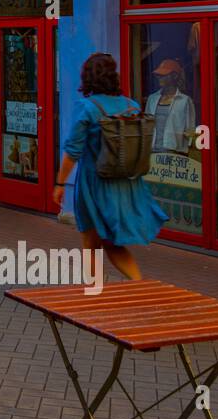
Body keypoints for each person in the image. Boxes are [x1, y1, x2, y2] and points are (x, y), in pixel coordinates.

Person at [52, 52, 167, 281]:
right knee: (112, 243)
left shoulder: (87, 107)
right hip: (126, 184)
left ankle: (97, 293)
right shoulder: (131, 105)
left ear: (87, 78)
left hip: (94, 183)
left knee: (91, 243)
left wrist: (59, 183)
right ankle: (138, 285)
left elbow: (73, 151)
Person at [145, 59, 195, 154]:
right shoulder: (152, 99)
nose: (160, 77)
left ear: (175, 76)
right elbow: (147, 125)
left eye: (164, 75)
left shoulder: (185, 101)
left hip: (174, 153)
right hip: (153, 151)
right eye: (159, 75)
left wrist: (185, 152)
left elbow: (190, 130)